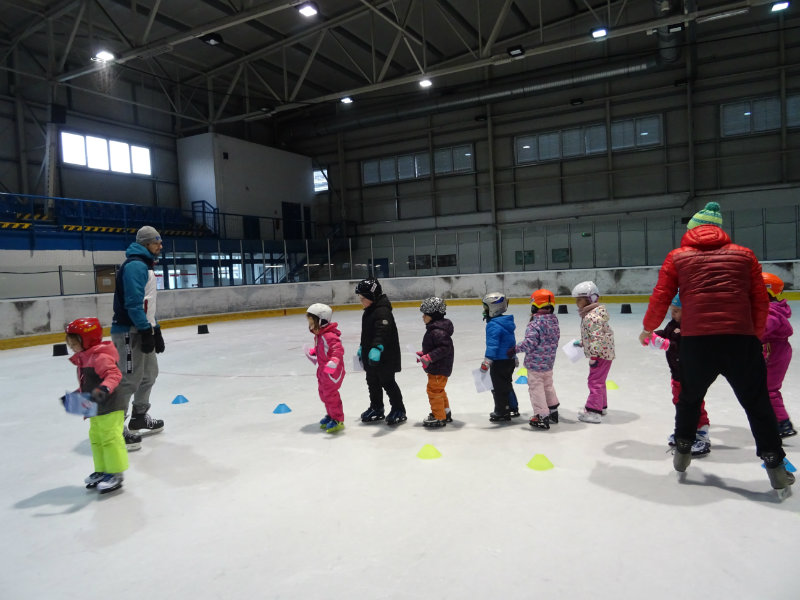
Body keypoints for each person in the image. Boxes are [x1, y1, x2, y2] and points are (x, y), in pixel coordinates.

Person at [639, 201, 793, 493]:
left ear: (692, 231)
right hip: (740, 340)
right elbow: (760, 301)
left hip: (697, 342)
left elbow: (661, 296)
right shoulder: (744, 255)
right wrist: (755, 336)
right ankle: (774, 461)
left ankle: (683, 449)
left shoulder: (678, 256)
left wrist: (648, 327)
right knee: (757, 402)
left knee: (689, 398)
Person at [111, 225, 165, 451]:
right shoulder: (135, 266)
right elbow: (133, 303)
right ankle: (115, 428)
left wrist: (155, 329)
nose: (160, 246)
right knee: (129, 379)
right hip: (129, 331)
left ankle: (139, 417)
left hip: (143, 328)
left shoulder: (146, 265)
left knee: (150, 374)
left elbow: (147, 304)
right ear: (146, 244)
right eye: (156, 242)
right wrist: (144, 330)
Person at [64, 317, 128, 494]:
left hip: (110, 404)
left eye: (74, 343)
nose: (71, 347)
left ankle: (115, 473)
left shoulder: (100, 356)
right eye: (70, 343)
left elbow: (114, 375)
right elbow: (88, 383)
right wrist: (78, 394)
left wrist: (104, 388)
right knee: (96, 438)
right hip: (96, 406)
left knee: (110, 438)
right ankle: (102, 470)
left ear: (87, 340)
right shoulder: (85, 357)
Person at [653, 294, 711, 456]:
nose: (673, 314)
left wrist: (666, 344)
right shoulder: (673, 324)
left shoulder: (693, 327)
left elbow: (683, 346)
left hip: (691, 375)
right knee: (679, 403)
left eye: (677, 311)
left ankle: (701, 433)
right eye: (672, 310)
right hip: (677, 374)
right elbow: (667, 333)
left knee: (694, 403)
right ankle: (684, 430)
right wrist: (655, 335)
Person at [356, 278, 406, 425]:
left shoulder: (382, 311)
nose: (361, 301)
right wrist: (362, 347)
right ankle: (377, 407)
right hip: (371, 357)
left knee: (388, 382)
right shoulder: (370, 311)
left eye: (363, 298)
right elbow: (367, 333)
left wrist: (377, 348)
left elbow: (382, 332)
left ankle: (399, 409)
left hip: (385, 357)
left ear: (371, 296)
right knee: (372, 382)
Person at [512, 289, 560, 430]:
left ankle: (541, 416)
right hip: (548, 363)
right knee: (548, 386)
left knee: (536, 389)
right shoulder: (554, 321)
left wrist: (515, 349)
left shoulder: (535, 324)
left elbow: (529, 343)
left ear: (535, 305)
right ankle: (553, 411)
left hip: (535, 365)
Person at [571, 281, 615, 424]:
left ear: (591, 299)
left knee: (594, 381)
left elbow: (597, 337)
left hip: (600, 355)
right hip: (605, 353)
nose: (577, 303)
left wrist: (594, 356)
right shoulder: (594, 313)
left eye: (580, 300)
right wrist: (583, 342)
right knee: (600, 381)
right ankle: (601, 406)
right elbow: (596, 334)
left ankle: (593, 411)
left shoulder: (591, 317)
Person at [761, 272, 796, 438]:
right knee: (764, 388)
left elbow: (762, 330)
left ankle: (783, 423)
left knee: (769, 389)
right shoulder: (770, 308)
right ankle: (775, 420)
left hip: (775, 353)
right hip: (772, 351)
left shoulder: (771, 312)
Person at [305, 303, 346, 433]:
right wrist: (314, 352)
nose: (310, 325)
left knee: (330, 395)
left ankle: (338, 420)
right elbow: (323, 348)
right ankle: (331, 414)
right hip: (323, 371)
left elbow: (337, 349)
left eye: (312, 322)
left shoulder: (329, 336)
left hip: (333, 372)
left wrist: (334, 360)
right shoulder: (319, 335)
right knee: (323, 394)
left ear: (321, 321)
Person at [416, 297, 454, 428]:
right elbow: (435, 347)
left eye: (425, 315)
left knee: (434, 392)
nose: (423, 317)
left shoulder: (437, 331)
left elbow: (444, 348)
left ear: (434, 316)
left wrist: (429, 357)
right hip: (439, 367)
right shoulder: (435, 330)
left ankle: (439, 417)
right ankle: (445, 412)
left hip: (439, 368)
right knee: (439, 390)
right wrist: (424, 353)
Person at [481, 292, 516, 422]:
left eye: (485, 308)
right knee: (506, 384)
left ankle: (502, 411)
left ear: (493, 308)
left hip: (499, 361)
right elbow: (510, 342)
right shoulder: (506, 322)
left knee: (498, 388)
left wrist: (487, 361)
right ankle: (512, 407)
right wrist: (514, 356)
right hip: (509, 361)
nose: (484, 311)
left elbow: (493, 345)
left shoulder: (493, 325)